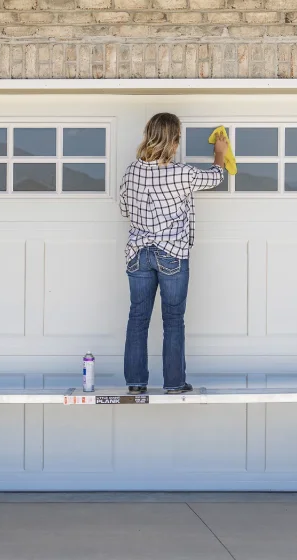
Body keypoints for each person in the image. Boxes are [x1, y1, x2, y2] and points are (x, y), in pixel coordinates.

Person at [119, 113, 228, 395]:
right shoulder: (182, 173)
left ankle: (135, 383)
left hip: (138, 253)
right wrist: (219, 153)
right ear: (174, 140)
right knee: (173, 320)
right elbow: (216, 177)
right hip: (172, 254)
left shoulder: (132, 171)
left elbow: (124, 209)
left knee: (138, 318)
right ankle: (174, 384)